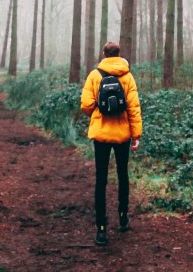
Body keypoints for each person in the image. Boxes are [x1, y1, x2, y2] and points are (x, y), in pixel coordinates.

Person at [80, 41, 143, 246]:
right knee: (123, 175)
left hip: (101, 135)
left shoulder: (95, 75)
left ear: (104, 54)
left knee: (101, 179)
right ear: (119, 54)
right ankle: (123, 217)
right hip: (123, 135)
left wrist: (98, 110)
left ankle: (101, 229)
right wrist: (136, 135)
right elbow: (134, 108)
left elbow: (86, 105)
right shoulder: (127, 76)